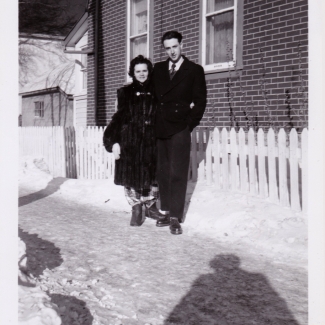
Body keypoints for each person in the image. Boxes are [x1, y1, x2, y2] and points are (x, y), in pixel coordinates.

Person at [152, 31, 207, 235]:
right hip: (161, 127)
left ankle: (175, 216)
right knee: (163, 171)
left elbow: (200, 101)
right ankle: (166, 211)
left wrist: (188, 124)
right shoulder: (158, 69)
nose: (172, 51)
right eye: (167, 48)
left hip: (180, 127)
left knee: (178, 172)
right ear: (164, 49)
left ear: (181, 45)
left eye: (175, 46)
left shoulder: (194, 70)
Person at [103, 55, 164, 226]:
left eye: (145, 70)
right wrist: (113, 141)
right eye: (138, 71)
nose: (142, 74)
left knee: (152, 176)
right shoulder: (125, 93)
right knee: (131, 177)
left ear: (149, 72)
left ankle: (151, 207)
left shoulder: (158, 91)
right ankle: (136, 208)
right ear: (132, 73)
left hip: (152, 141)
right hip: (130, 141)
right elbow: (117, 118)